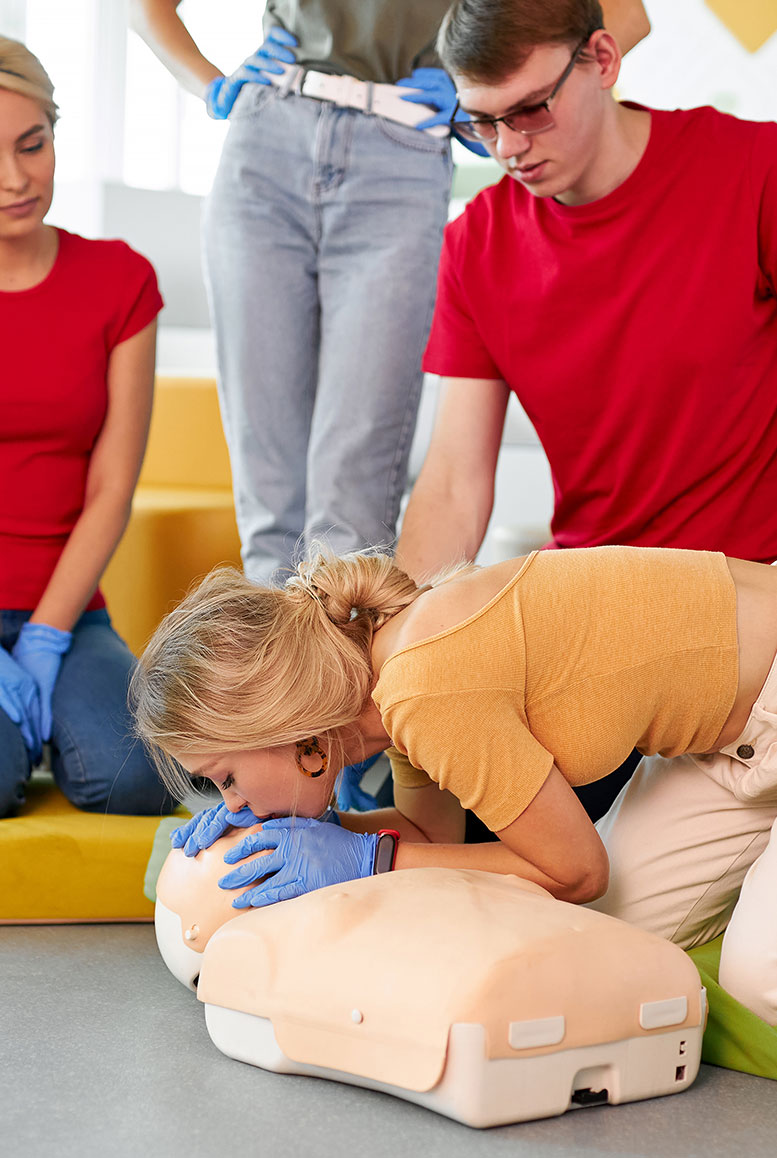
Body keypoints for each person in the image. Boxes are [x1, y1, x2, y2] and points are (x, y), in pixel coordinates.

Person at [131, 544, 777, 1026]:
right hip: (726, 748)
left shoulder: (423, 690)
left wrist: (366, 859)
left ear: (277, 723)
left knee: (759, 978)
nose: (236, 806)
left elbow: (578, 870)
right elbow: (428, 837)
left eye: (226, 780)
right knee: (606, 941)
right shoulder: (381, 680)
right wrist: (324, 833)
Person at [130, 1, 650, 587]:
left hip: (402, 147)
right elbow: (145, 9)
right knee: (268, 493)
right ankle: (282, 650)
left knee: (353, 502)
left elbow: (627, 16)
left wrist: (478, 93)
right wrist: (210, 86)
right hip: (268, 139)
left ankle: (352, 646)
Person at [396, 0, 777, 580]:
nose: (507, 148)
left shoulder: (754, 168)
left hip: (753, 578)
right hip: (592, 588)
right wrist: (403, 627)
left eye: (530, 110)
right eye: (482, 121)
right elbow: (453, 482)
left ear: (602, 60)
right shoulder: (475, 243)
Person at [0, 33, 169, 821]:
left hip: (66, 613)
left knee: (138, 780)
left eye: (33, 144)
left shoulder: (121, 281)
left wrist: (49, 636)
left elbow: (111, 488)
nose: (17, 178)